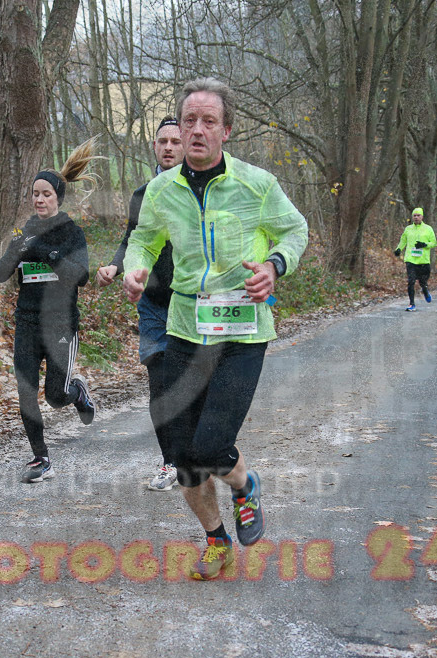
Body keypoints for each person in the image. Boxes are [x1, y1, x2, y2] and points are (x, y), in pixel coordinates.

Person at [122, 78, 308, 580]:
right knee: (182, 455)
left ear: (226, 130)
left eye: (208, 121)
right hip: (183, 329)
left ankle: (246, 487)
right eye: (189, 121)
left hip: (242, 335)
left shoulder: (257, 184)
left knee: (210, 446)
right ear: (178, 130)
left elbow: (295, 230)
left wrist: (275, 264)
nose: (197, 130)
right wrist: (134, 268)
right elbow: (142, 239)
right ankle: (215, 540)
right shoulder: (162, 191)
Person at [0, 139, 100, 483]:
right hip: (26, 322)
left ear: (57, 198)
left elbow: (80, 275)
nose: (39, 199)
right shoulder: (25, 232)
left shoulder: (71, 233)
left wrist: (44, 252)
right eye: (35, 194)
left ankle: (77, 391)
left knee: (55, 397)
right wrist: (16, 251)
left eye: (46, 194)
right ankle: (41, 459)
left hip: (60, 325)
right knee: (26, 393)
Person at [96, 116, 184, 491]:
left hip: (192, 304)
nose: (168, 147)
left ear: (187, 146)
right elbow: (132, 239)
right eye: (162, 141)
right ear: (154, 146)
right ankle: (170, 463)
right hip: (152, 303)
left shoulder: (202, 195)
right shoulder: (142, 194)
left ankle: (196, 453)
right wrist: (116, 266)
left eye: (174, 141)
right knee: (160, 384)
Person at [394, 208, 437, 311]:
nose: (416, 217)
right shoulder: (408, 229)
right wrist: (398, 249)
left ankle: (425, 290)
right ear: (412, 217)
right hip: (411, 259)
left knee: (422, 282)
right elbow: (403, 240)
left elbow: (434, 243)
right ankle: (411, 304)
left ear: (422, 217)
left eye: (418, 215)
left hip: (423, 260)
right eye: (414, 215)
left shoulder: (428, 229)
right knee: (411, 281)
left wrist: (424, 244)